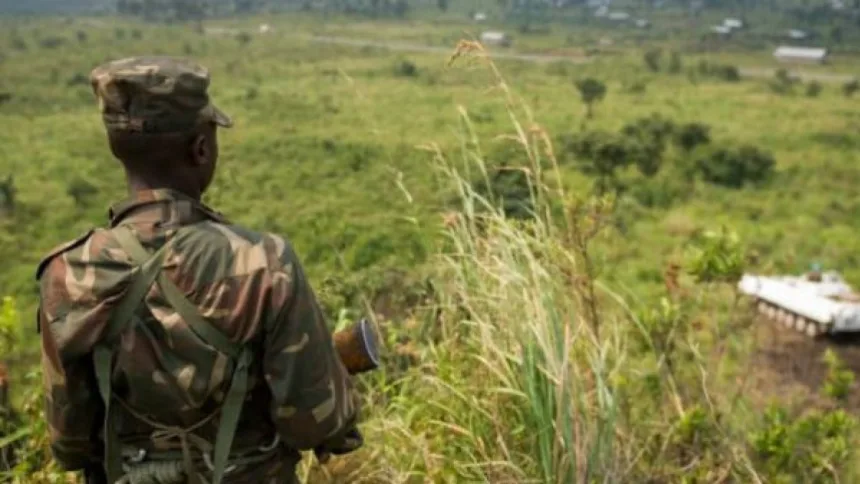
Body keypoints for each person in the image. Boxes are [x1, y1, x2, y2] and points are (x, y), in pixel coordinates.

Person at [35, 56, 363, 484]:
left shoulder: (65, 271)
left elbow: (69, 445)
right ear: (201, 148)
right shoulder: (265, 262)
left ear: (118, 149)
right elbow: (314, 422)